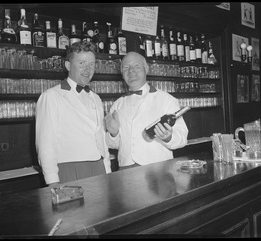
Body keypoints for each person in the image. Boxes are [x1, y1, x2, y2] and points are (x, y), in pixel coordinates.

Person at [35, 42, 111, 187]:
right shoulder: (51, 96)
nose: (87, 69)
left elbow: (100, 137)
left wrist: (106, 170)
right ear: (68, 66)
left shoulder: (96, 98)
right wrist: (52, 181)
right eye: (82, 63)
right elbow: (45, 145)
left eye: (92, 64)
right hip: (69, 171)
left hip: (98, 168)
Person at [104, 51, 188, 170]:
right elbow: (114, 144)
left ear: (146, 69)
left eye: (136, 66)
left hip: (158, 169)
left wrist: (168, 138)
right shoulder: (116, 105)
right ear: (122, 74)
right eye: (126, 67)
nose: (131, 71)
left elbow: (182, 139)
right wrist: (114, 133)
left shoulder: (167, 100)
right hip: (125, 171)